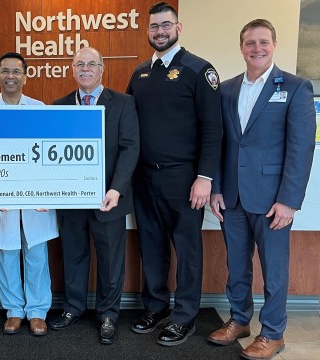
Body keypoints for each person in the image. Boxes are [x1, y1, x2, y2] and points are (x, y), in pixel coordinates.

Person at [207, 19, 315, 360]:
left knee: (275, 269)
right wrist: (217, 189)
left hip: (272, 200)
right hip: (232, 197)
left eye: (263, 42)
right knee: (237, 265)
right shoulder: (226, 89)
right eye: (250, 43)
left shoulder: (295, 88)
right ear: (241, 48)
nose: (257, 48)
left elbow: (301, 148)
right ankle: (239, 320)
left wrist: (289, 201)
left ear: (274, 45)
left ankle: (273, 332)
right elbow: (221, 143)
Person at [126, 1, 222, 346]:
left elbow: (214, 129)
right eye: (154, 26)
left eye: (166, 25)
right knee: (151, 247)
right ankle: (156, 307)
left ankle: (184, 317)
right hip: (144, 179)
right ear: (147, 31)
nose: (160, 31)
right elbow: (130, 129)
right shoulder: (139, 74)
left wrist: (205, 177)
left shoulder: (199, 70)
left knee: (187, 250)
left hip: (185, 179)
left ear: (178, 28)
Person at [49, 46, 140, 345]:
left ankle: (108, 314)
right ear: (72, 70)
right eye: (79, 64)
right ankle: (73, 307)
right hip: (72, 200)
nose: (85, 68)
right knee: (73, 254)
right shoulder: (59, 106)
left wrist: (116, 188)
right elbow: (51, 154)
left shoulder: (124, 103)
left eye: (91, 64)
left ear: (102, 69)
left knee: (111, 260)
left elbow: (130, 148)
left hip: (109, 199)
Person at [0, 52, 59, 337]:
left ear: (25, 76)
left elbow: (49, 158)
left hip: (34, 199)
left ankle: (38, 312)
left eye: (16, 71)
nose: (11, 76)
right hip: (1, 198)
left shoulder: (40, 109)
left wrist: (47, 194)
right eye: (5, 71)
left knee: (37, 254)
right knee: (6, 254)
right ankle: (14, 310)